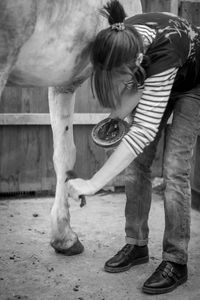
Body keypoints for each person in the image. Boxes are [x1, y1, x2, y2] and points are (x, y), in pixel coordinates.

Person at [67, 0, 200, 295]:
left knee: (175, 168)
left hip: (193, 84)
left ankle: (176, 260)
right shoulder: (123, 36)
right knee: (138, 163)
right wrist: (116, 117)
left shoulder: (163, 52)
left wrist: (93, 182)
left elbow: (143, 131)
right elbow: (134, 85)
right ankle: (136, 244)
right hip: (158, 74)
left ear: (136, 59)